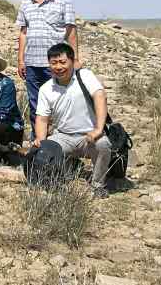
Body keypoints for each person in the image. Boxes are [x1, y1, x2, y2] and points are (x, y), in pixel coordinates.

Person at [34, 42, 112, 198]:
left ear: (72, 61)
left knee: (103, 145)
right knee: (42, 151)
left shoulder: (85, 76)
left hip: (88, 135)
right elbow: (42, 119)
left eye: (63, 62)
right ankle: (62, 176)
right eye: (54, 63)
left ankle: (98, 185)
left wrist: (98, 129)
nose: (58, 67)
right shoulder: (46, 89)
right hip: (63, 135)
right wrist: (41, 140)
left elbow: (100, 96)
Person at [16, 0, 77, 141]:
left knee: (60, 103)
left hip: (56, 65)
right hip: (32, 64)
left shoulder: (62, 0)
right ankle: (38, 142)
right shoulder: (26, 3)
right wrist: (21, 60)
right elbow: (23, 33)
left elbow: (71, 31)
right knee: (35, 105)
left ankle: (61, 142)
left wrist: (75, 60)